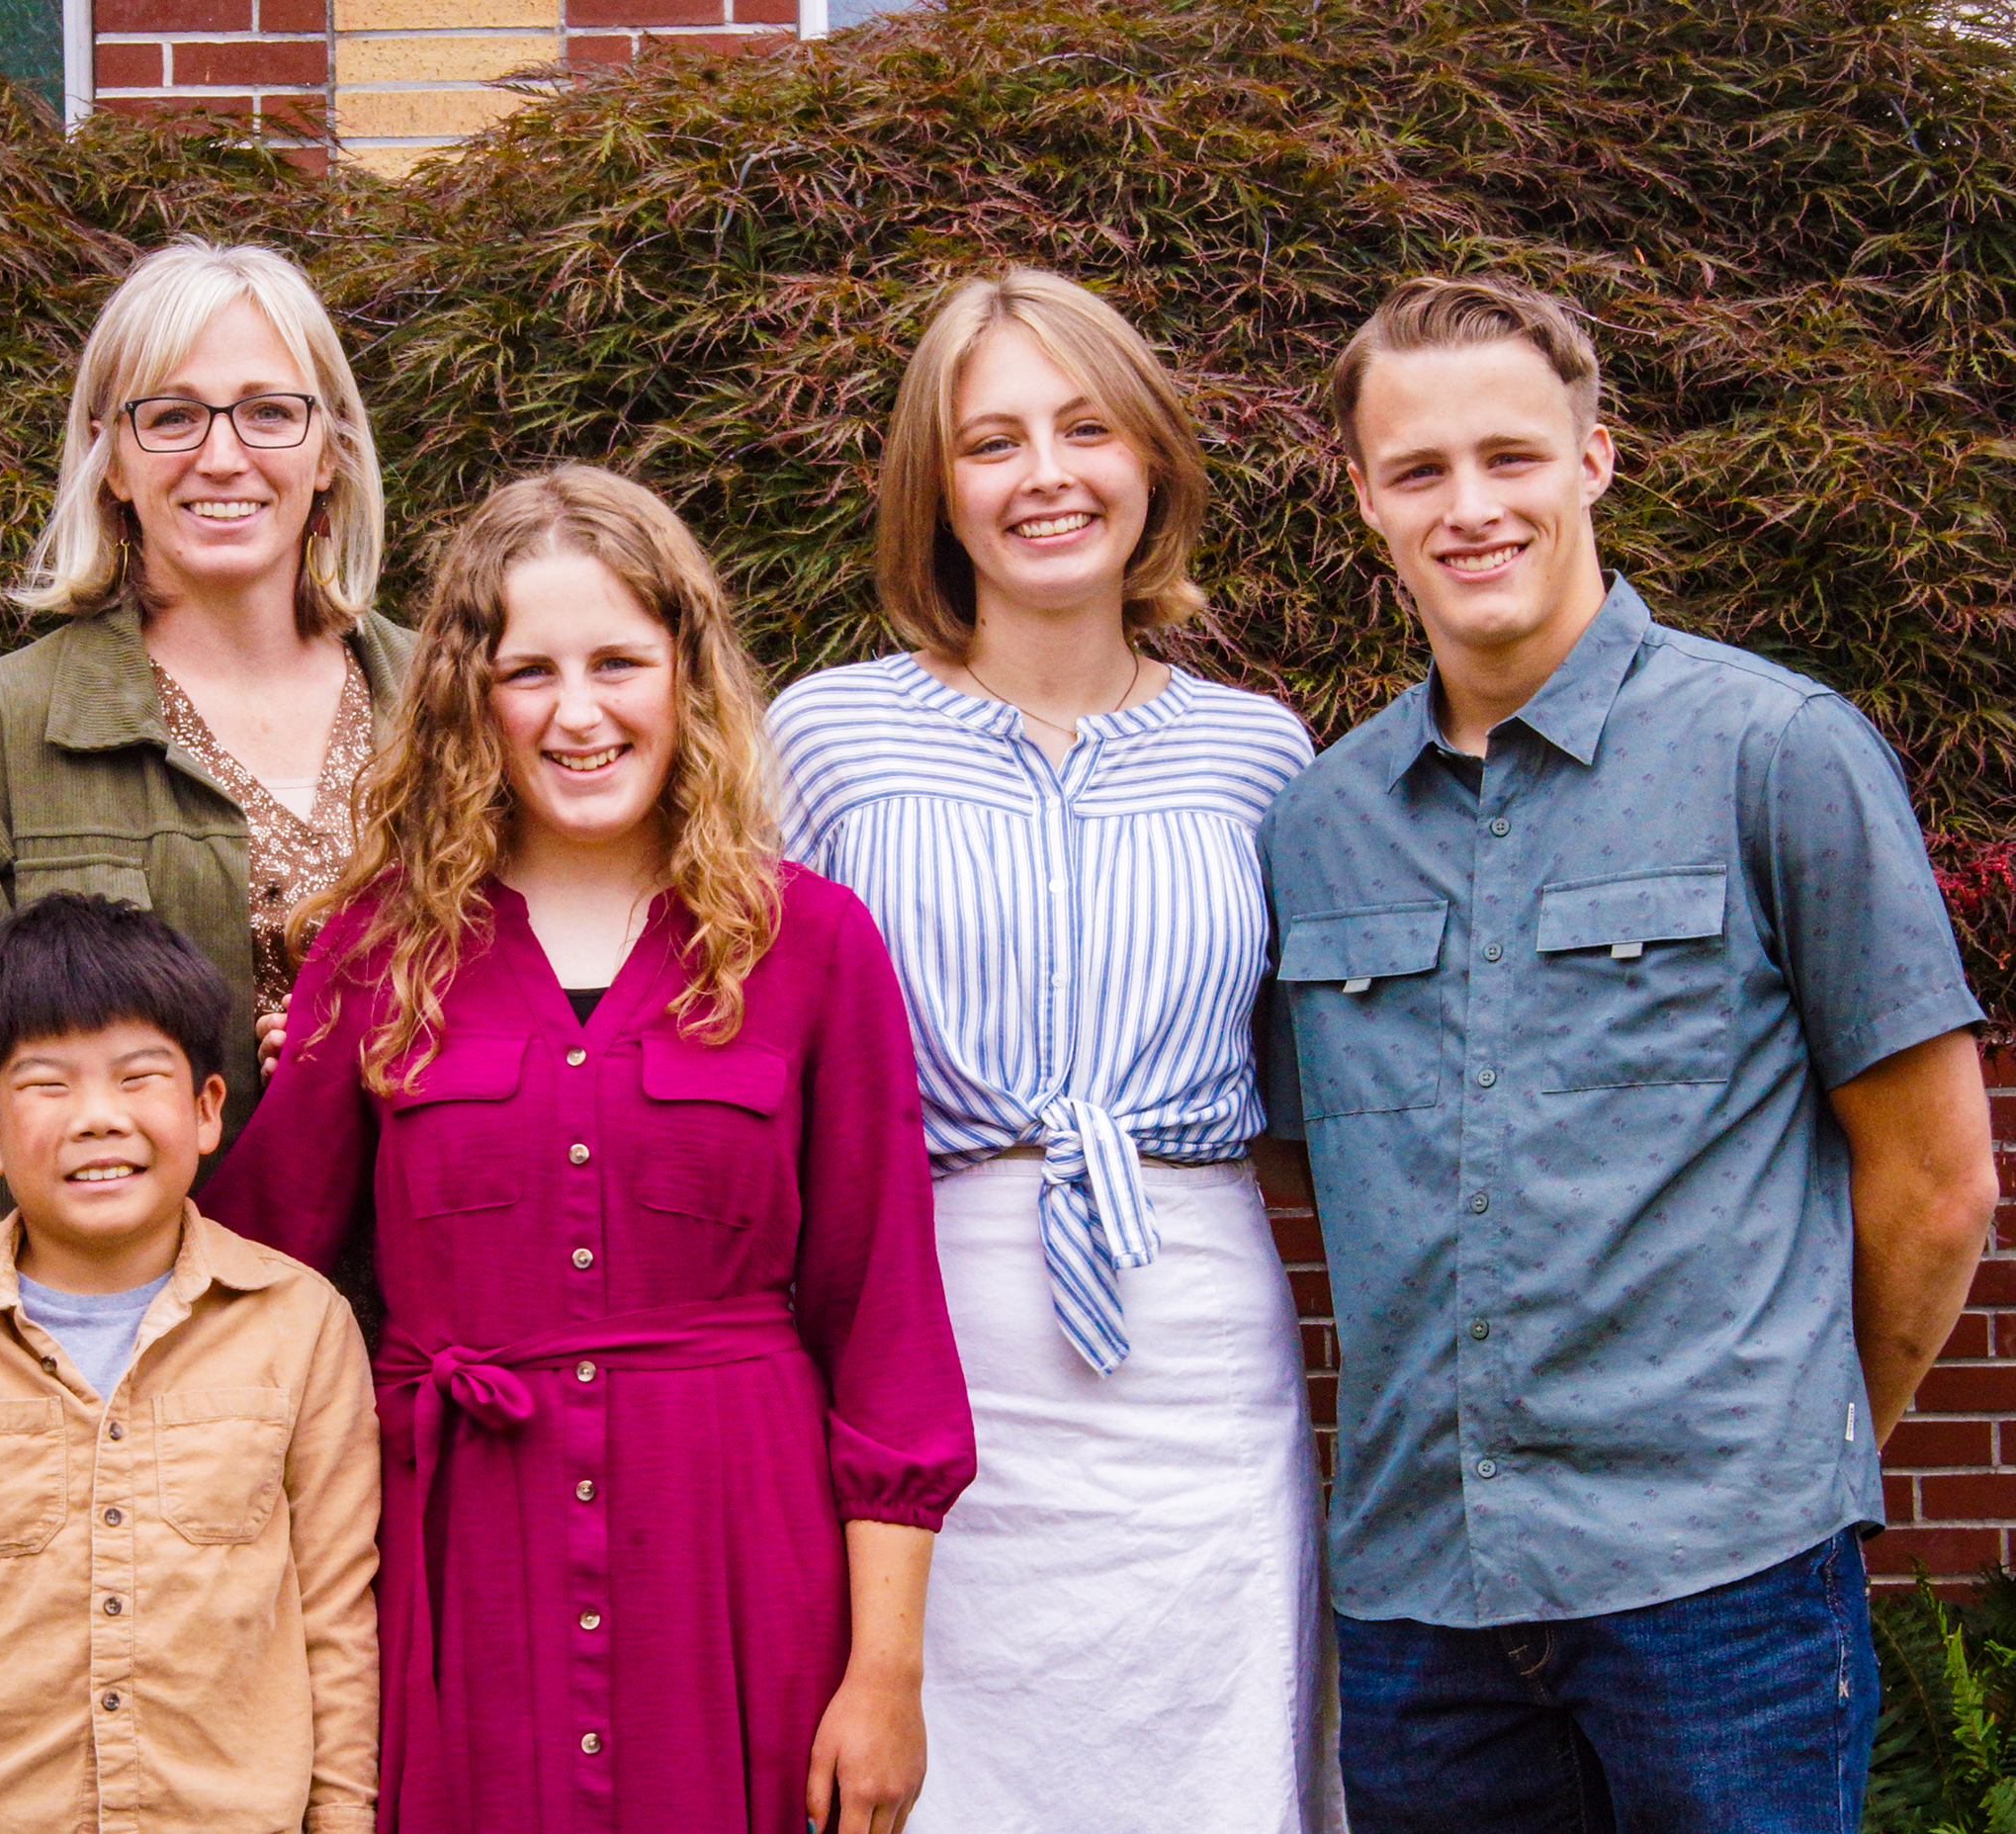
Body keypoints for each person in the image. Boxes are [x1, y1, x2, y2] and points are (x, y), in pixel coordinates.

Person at [1260, 274, 2000, 1831]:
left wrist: (1792, 1455)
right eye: (1418, 469)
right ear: (1364, 498)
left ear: (1593, 459)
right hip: (1420, 1605)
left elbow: (1935, 1181)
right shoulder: (1317, 826)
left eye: (1510, 455)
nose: (1469, 506)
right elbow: (1322, 1180)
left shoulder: (1776, 752)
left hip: (1723, 1587)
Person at [199, 464, 975, 1834]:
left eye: (617, 662)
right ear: (468, 697)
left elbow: (886, 1331)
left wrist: (885, 1673)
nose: (577, 712)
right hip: (457, 1576)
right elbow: (248, 1274)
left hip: (734, 1568)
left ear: (685, 673)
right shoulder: (378, 951)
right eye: (528, 671)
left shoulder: (811, 945)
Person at [766, 269, 1340, 1832]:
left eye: (1084, 429)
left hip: (1195, 1348)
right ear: (935, 488)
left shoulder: (1258, 753)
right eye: (991, 441)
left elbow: (1317, 1079)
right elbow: (748, 1048)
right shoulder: (824, 737)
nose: (1044, 475)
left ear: (1147, 459)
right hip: (921, 1322)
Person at [0, 236, 409, 1297]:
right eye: (172, 415)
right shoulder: (6, 729)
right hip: (126, 1347)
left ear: (329, 447)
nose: (223, 456)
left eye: (269, 411)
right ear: (109, 455)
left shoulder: (446, 707)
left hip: (439, 1329)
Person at [0, 893, 380, 1834]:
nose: (99, 1117)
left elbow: (338, 1623)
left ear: (207, 1109)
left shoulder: (301, 1327)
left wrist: (342, 1819)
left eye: (139, 1077)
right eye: (48, 1085)